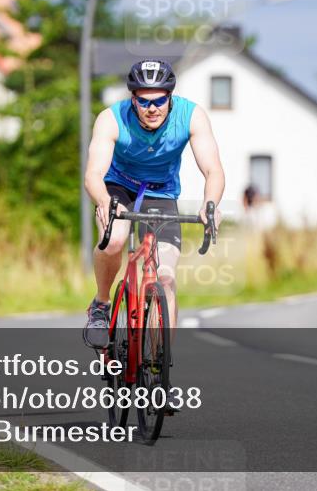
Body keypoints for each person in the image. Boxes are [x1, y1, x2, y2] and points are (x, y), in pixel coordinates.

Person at [82, 60, 225, 348]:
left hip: (161, 193)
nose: (152, 108)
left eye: (159, 100)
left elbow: (214, 170)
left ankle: (161, 363)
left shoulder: (191, 116)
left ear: (170, 97)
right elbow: (93, 175)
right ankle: (101, 304)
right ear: (132, 99)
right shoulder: (111, 119)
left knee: (166, 278)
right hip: (119, 186)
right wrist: (105, 201)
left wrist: (210, 205)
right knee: (114, 240)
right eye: (144, 101)